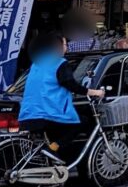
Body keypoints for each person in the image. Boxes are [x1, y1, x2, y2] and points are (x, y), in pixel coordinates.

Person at [16, 25, 102, 159]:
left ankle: (52, 161)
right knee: (83, 121)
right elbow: (70, 84)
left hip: (27, 114)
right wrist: (93, 92)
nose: (66, 47)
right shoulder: (60, 63)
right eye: (65, 43)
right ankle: (53, 148)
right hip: (47, 114)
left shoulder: (37, 63)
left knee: (55, 136)